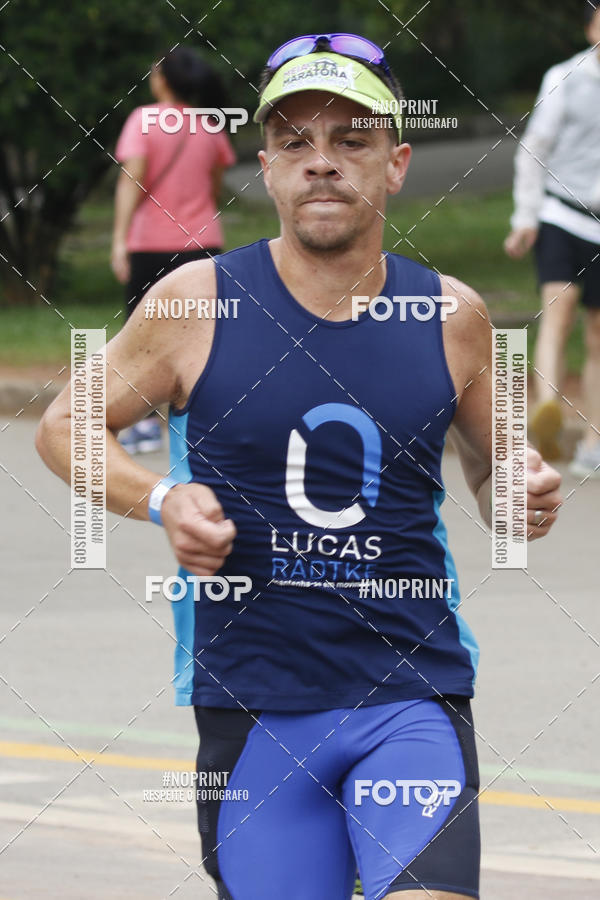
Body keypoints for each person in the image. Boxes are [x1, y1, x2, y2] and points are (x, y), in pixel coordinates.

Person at [37, 33, 562, 900]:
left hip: (410, 694)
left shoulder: (455, 315)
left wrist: (520, 493)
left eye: (351, 141)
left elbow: (499, 471)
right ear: (266, 168)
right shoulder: (193, 303)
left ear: (395, 165)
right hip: (254, 709)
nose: (323, 163)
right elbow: (65, 424)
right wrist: (163, 498)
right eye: (295, 143)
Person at [111, 46, 236, 453]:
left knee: (142, 336)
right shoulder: (210, 126)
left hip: (150, 243)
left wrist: (119, 240)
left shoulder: (143, 120)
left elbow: (132, 182)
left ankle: (144, 423)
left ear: (163, 80)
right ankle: (203, 423)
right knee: (203, 333)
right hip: (202, 242)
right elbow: (214, 188)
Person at [505, 0, 600, 474]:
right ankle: (548, 411)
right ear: (590, 29)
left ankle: (592, 442)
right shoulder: (565, 77)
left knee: (599, 335)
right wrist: (524, 218)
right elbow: (532, 150)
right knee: (558, 312)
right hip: (562, 214)